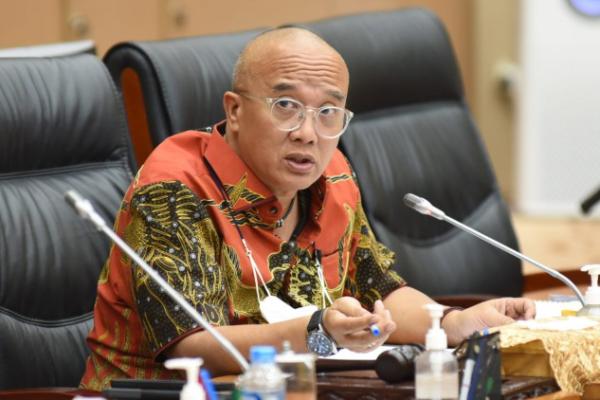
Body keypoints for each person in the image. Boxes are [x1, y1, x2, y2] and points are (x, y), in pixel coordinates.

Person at [80, 27, 535, 390]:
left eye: (328, 112)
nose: (307, 133)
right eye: (286, 106)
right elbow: (192, 345)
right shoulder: (174, 189)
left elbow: (379, 288)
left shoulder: (332, 175)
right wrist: (318, 331)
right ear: (234, 111)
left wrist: (452, 322)